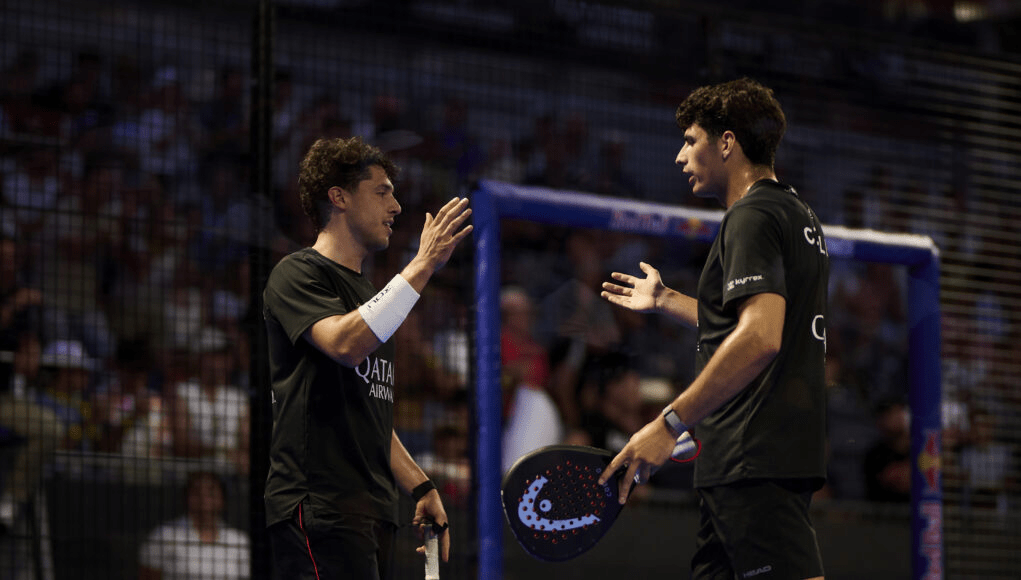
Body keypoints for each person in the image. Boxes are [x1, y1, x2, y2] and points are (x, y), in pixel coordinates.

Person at [597, 78, 829, 580]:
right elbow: (759, 322)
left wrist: (669, 423)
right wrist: (666, 300)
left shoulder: (750, 216)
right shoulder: (797, 214)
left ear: (726, 143)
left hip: (753, 460)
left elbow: (760, 337)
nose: (681, 157)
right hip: (756, 461)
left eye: (690, 140)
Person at [262, 136, 471, 579]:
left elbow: (368, 412)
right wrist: (423, 265)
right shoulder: (298, 272)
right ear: (338, 197)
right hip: (317, 504)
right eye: (382, 191)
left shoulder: (372, 300)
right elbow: (344, 343)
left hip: (371, 510)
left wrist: (420, 485)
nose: (395, 207)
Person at [138, 470, 250, 580]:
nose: (204, 498)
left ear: (222, 498)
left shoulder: (239, 541)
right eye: (197, 492)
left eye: (211, 492)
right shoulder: (163, 535)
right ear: (186, 497)